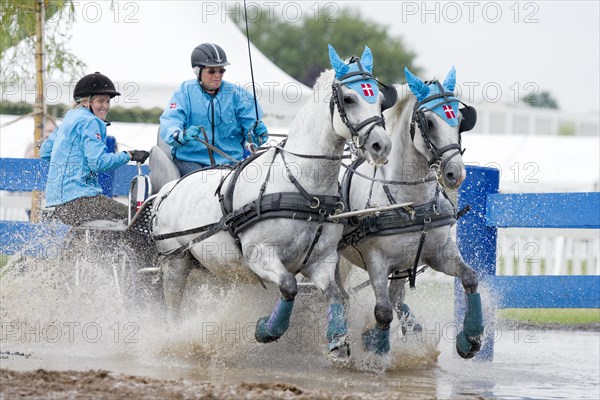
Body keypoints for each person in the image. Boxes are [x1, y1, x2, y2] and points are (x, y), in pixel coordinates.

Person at [40, 72, 150, 226]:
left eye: (107, 101)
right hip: (81, 201)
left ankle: (79, 250)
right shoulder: (91, 122)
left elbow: (45, 152)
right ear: (86, 102)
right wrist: (129, 155)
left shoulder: (70, 118)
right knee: (137, 221)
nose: (105, 106)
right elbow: (98, 163)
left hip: (58, 203)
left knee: (101, 232)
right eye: (100, 101)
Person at [159, 43, 269, 176]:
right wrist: (181, 135)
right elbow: (169, 124)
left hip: (231, 163)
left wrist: (257, 135)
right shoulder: (185, 92)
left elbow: (253, 135)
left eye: (221, 70)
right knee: (201, 186)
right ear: (198, 71)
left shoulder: (238, 95)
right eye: (211, 71)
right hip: (191, 161)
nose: (217, 75)